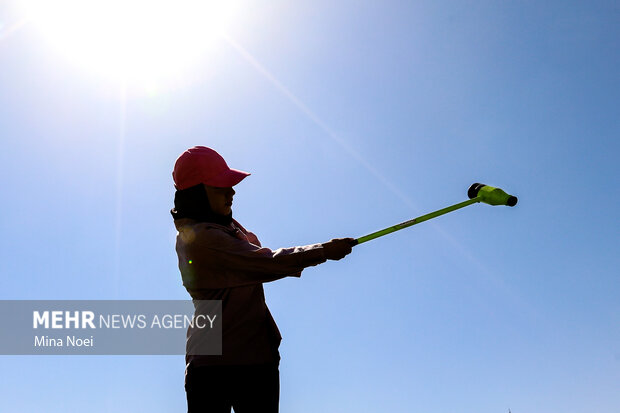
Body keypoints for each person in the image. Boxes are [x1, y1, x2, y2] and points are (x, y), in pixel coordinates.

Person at [171, 146, 354, 413]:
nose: (232, 192)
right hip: (215, 369)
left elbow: (255, 254)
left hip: (256, 361)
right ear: (197, 194)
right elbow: (266, 262)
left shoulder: (225, 227)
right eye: (221, 186)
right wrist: (324, 250)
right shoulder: (201, 239)